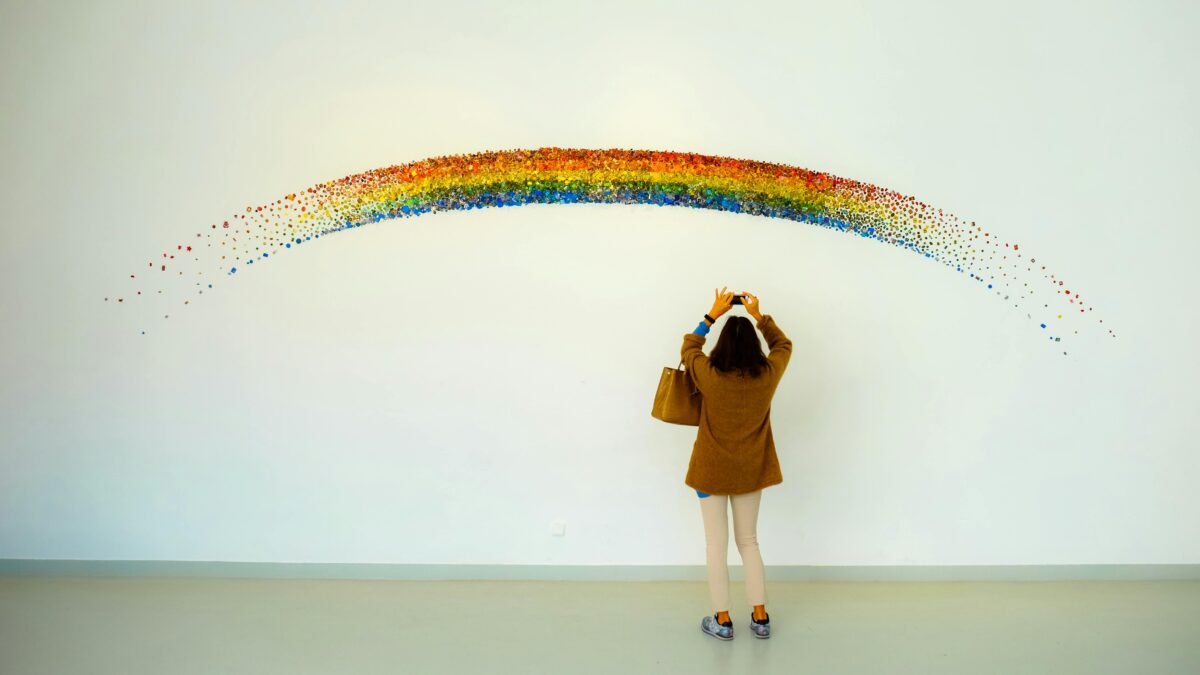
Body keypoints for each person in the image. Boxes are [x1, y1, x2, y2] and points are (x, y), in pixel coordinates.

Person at [681, 287, 793, 641]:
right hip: (751, 471)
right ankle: (760, 617)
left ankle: (723, 620)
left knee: (716, 545)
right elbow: (784, 346)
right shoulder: (768, 375)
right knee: (749, 542)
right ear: (754, 348)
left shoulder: (709, 374)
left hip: (709, 471)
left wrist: (712, 315)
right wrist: (759, 316)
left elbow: (688, 349)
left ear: (723, 346)